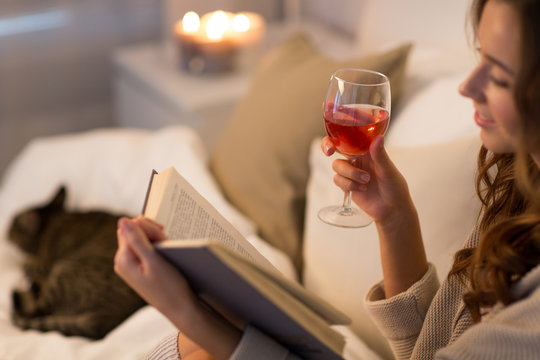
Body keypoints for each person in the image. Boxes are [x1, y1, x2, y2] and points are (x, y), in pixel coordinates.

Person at [113, 0, 540, 358]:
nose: (468, 86)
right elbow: (427, 351)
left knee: (199, 340)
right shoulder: (522, 187)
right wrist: (395, 219)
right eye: (479, 56)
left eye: (499, 74)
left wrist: (189, 312)